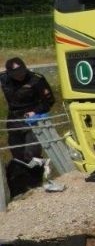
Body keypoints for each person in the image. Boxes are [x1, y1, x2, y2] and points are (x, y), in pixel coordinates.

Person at [1, 57, 55, 196]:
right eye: (15, 73)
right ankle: (22, 187)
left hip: (32, 119)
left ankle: (37, 184)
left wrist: (35, 112)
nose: (20, 75)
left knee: (31, 153)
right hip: (14, 119)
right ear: (9, 73)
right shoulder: (4, 79)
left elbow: (49, 101)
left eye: (22, 71)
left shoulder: (36, 79)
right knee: (17, 154)